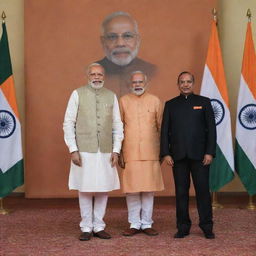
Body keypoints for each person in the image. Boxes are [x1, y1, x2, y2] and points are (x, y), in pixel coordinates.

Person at [63, 63, 123, 241]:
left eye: (99, 74)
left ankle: (99, 226)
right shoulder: (77, 94)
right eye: (93, 74)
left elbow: (117, 125)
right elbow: (68, 123)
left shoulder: (111, 96)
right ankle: (86, 227)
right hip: (84, 150)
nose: (96, 77)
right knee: (85, 188)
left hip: (105, 150)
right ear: (87, 76)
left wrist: (116, 150)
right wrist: (73, 149)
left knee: (103, 189)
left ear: (104, 76)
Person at [160, 71, 216, 239]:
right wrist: (166, 153)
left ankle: (207, 226)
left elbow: (212, 130)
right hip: (178, 157)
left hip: (201, 157)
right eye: (182, 82)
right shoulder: (170, 104)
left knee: (203, 192)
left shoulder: (204, 103)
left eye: (188, 81)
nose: (185, 84)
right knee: (181, 193)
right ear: (178, 84)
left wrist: (210, 152)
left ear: (193, 83)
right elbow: (164, 132)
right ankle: (183, 226)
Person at [119, 71, 164, 236]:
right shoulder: (123, 101)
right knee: (132, 190)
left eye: (140, 82)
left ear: (146, 83)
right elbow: (118, 128)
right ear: (130, 84)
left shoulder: (155, 101)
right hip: (130, 152)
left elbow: (161, 128)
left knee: (148, 190)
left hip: (151, 152)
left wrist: (163, 152)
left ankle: (146, 223)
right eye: (134, 82)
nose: (137, 85)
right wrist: (119, 153)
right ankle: (133, 223)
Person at [97, 11, 156, 97]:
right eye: (112, 37)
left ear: (137, 40)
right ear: (103, 41)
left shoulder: (152, 71)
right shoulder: (92, 72)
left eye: (127, 36)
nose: (120, 43)